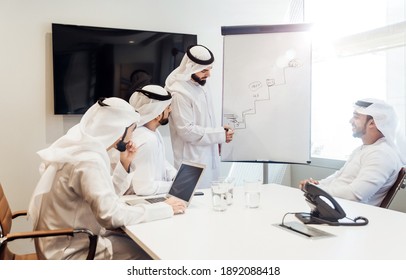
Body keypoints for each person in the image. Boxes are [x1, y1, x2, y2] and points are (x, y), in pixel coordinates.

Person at [27, 97, 186, 260]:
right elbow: (111, 216)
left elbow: (106, 197)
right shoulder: (88, 160)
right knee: (150, 254)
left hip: (66, 240)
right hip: (71, 251)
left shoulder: (82, 149)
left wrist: (125, 163)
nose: (132, 137)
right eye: (131, 130)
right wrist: (164, 208)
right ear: (119, 131)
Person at [299, 98, 405, 206]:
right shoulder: (365, 148)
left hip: (348, 215)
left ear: (372, 123)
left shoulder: (382, 155)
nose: (350, 121)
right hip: (333, 207)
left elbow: (355, 195)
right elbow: (338, 177)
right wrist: (316, 185)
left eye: (356, 117)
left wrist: (318, 190)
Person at [165, 44, 234, 188]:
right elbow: (186, 131)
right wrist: (218, 135)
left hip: (209, 156)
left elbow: (203, 120)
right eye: (203, 70)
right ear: (191, 68)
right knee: (193, 204)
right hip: (191, 161)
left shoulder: (201, 83)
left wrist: (219, 131)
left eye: (209, 69)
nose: (208, 74)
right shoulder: (179, 93)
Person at [121, 84, 177, 196]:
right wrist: (177, 186)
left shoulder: (151, 132)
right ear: (157, 113)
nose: (170, 110)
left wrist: (176, 176)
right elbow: (144, 188)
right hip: (135, 201)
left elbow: (160, 161)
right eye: (167, 107)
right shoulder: (147, 139)